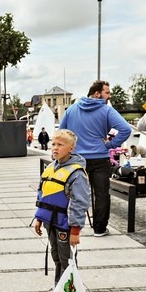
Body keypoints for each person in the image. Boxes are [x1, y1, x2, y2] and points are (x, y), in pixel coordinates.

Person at [59, 80, 131, 237]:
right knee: (102, 194)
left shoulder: (71, 109)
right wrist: (110, 145)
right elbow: (125, 129)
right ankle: (99, 228)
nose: (109, 96)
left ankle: (70, 225)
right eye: (107, 93)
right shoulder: (106, 110)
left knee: (73, 193)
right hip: (99, 158)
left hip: (77, 159)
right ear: (97, 93)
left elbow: (61, 133)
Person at [33, 129, 90, 292]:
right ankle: (57, 289)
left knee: (67, 260)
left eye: (60, 145)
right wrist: (39, 219)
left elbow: (80, 202)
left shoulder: (76, 173)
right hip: (50, 221)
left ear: (71, 148)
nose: (55, 148)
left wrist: (75, 230)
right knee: (56, 257)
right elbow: (42, 194)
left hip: (65, 224)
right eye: (53, 144)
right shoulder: (52, 167)